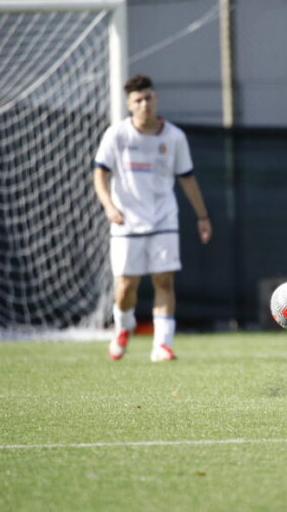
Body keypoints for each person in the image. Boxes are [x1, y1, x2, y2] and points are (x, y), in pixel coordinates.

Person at [93, 74, 212, 362]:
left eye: (148, 98)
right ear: (129, 104)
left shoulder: (174, 137)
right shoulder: (116, 135)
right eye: (138, 100)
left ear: (155, 98)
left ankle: (162, 345)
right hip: (126, 222)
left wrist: (202, 216)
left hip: (163, 220)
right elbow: (100, 174)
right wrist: (109, 206)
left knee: (164, 281)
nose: (144, 104)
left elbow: (187, 178)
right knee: (126, 286)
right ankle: (123, 327)